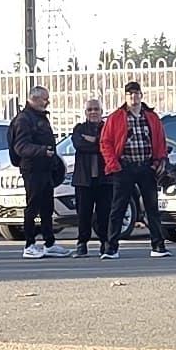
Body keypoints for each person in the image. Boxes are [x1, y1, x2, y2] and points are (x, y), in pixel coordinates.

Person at [101, 82, 173, 257]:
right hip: (124, 167)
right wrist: (114, 165)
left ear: (141, 95)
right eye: (130, 94)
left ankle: (158, 246)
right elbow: (105, 142)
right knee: (118, 208)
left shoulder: (151, 117)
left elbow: (160, 140)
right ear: (125, 97)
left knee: (152, 208)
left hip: (146, 167)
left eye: (136, 94)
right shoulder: (116, 118)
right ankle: (111, 248)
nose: (133, 97)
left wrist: (158, 161)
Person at [7, 86, 63, 258]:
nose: (48, 102)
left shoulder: (40, 117)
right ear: (35, 98)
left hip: (45, 168)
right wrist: (42, 151)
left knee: (47, 207)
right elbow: (21, 146)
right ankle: (29, 244)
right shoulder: (24, 120)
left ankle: (49, 242)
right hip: (32, 169)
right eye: (45, 98)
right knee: (33, 206)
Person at [69, 96, 115, 256]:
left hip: (105, 179)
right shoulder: (79, 129)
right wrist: (100, 143)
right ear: (85, 112)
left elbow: (111, 146)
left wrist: (95, 141)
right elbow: (80, 145)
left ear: (102, 112)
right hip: (84, 179)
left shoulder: (108, 128)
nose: (93, 112)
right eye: (90, 109)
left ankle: (106, 243)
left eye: (96, 109)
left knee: (105, 213)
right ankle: (82, 243)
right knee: (83, 214)